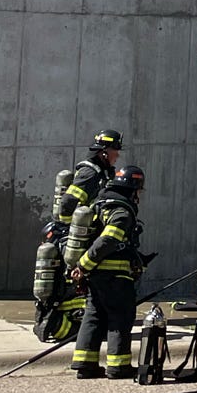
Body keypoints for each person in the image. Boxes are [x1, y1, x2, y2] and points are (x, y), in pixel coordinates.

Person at [70, 163, 146, 381]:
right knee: (120, 317)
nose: (139, 195)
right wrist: (84, 264)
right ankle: (118, 366)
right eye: (138, 190)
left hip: (96, 275)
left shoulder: (100, 202)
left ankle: (85, 364)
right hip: (115, 275)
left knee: (93, 316)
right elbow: (109, 240)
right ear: (132, 188)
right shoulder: (121, 211)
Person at [57, 129, 124, 247]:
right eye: (115, 150)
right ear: (104, 153)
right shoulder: (90, 174)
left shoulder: (101, 173)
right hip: (81, 234)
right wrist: (70, 230)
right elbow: (67, 202)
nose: (117, 155)